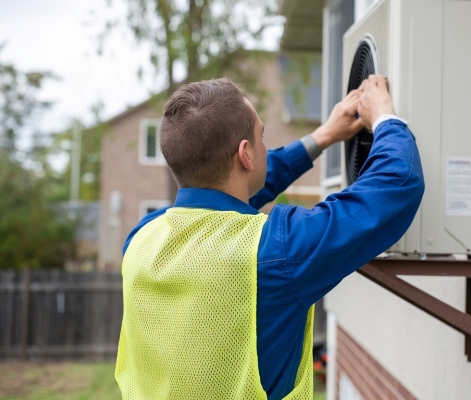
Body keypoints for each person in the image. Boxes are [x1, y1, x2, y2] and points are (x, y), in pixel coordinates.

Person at [115, 75, 424, 399]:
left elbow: (229, 185)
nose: (266, 145)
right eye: (262, 136)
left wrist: (323, 137)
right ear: (246, 154)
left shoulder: (140, 238)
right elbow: (396, 184)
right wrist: (384, 118)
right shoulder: (275, 252)